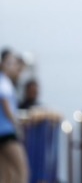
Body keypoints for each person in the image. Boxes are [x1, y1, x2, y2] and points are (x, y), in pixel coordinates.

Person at [0, 49, 29, 183]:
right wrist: (17, 126)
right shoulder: (4, 82)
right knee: (22, 170)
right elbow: (6, 106)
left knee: (6, 174)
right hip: (6, 132)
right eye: (10, 63)